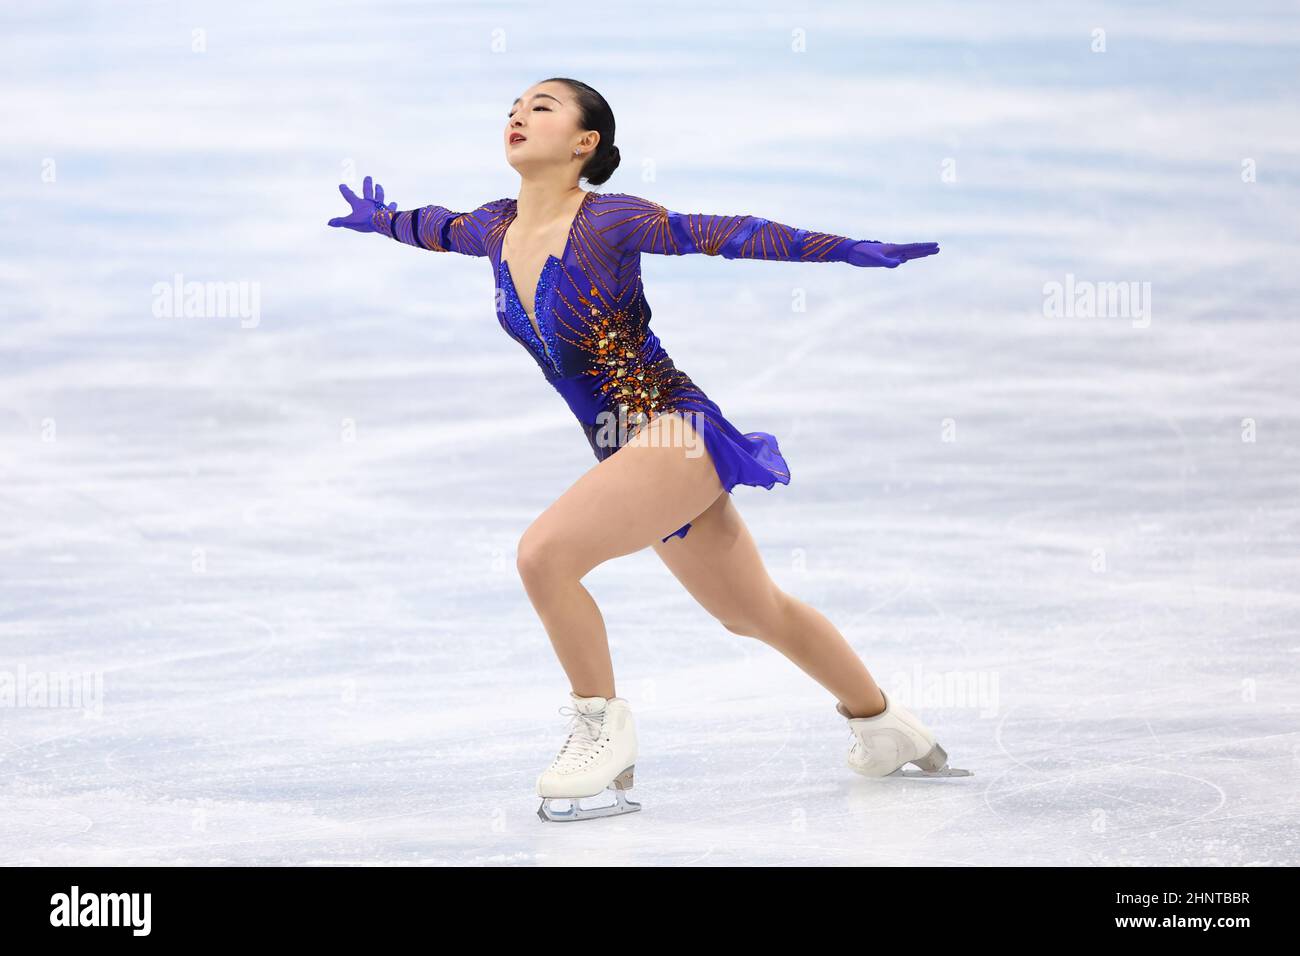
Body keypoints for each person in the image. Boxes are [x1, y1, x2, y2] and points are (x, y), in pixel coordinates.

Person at [328, 77, 969, 822]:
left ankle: (603, 730)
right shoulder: (494, 227)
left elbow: (722, 233)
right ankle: (882, 725)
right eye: (512, 108)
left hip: (673, 430)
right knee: (753, 611)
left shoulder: (610, 221)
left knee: (545, 556)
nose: (517, 116)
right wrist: (381, 219)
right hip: (628, 455)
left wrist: (840, 250)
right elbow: (433, 225)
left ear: (584, 142)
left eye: (540, 107)